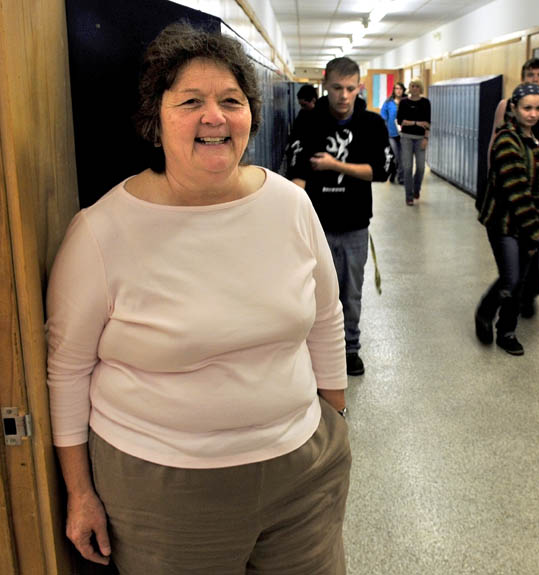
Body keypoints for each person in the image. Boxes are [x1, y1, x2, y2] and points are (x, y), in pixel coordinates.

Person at [45, 23, 351, 573]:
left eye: (230, 100)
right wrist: (80, 493)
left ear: (250, 115)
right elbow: (68, 369)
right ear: (155, 121)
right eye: (191, 101)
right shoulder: (102, 232)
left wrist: (334, 423)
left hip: (303, 472)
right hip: (163, 493)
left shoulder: (290, 206)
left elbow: (325, 319)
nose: (215, 116)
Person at [287, 57, 391, 376]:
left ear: (359, 87)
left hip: (354, 225)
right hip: (315, 226)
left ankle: (350, 348)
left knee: (350, 292)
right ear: (325, 85)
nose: (343, 96)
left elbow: (382, 171)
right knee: (309, 293)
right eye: (336, 88)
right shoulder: (308, 121)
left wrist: (336, 166)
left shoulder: (372, 124)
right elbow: (297, 175)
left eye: (350, 88)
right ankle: (312, 349)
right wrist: (292, 222)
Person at [475, 83, 539, 356]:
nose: (533, 114)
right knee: (511, 278)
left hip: (528, 223)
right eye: (527, 108)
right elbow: (518, 192)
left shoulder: (534, 140)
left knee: (521, 281)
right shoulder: (506, 141)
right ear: (513, 108)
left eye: (538, 108)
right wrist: (536, 230)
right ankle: (485, 313)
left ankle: (507, 331)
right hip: (504, 222)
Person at [491, 58, 539, 317]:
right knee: (516, 236)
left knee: (533, 240)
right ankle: (508, 293)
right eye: (531, 74)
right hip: (514, 177)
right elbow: (495, 140)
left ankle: (527, 293)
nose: (536, 79)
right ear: (523, 77)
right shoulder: (508, 106)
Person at [396, 78, 431, 205]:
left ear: (420, 89)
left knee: (421, 167)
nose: (414, 88)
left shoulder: (425, 102)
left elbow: (427, 122)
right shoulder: (404, 102)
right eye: (412, 86)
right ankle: (408, 196)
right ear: (409, 88)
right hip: (406, 137)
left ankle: (416, 189)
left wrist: (426, 138)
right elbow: (400, 121)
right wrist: (416, 123)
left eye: (417, 86)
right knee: (407, 167)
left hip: (420, 138)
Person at [380, 82, 406, 185]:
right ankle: (394, 172)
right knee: (396, 156)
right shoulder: (388, 102)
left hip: (404, 134)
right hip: (391, 134)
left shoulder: (406, 101)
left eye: (400, 89)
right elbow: (383, 116)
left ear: (403, 90)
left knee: (403, 157)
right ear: (394, 90)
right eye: (396, 89)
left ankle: (400, 177)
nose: (398, 91)